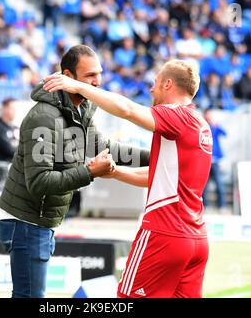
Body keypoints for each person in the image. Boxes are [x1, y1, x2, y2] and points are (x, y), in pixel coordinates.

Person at [44, 58, 213, 298]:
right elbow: (159, 178)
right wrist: (114, 172)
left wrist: (80, 87)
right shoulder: (201, 125)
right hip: (196, 238)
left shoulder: (176, 116)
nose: (151, 90)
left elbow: (127, 110)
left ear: (167, 84)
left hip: (164, 234)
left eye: (154, 83)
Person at [0, 44, 150, 298]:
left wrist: (155, 156)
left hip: (37, 221)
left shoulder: (80, 109)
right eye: (89, 76)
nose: (97, 82)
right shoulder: (44, 117)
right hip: (26, 221)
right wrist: (90, 171)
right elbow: (39, 182)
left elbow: (103, 147)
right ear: (68, 76)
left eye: (99, 74)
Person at [202, 109, 227, 209]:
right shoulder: (203, 127)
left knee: (219, 184)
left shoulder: (215, 126)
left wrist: (217, 125)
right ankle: (205, 205)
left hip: (215, 160)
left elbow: (225, 133)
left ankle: (222, 205)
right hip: (206, 160)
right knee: (204, 185)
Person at [0, 97, 19, 162]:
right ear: (5, 109)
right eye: (12, 108)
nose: (15, 111)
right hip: (2, 168)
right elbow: (9, 150)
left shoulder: (15, 128)